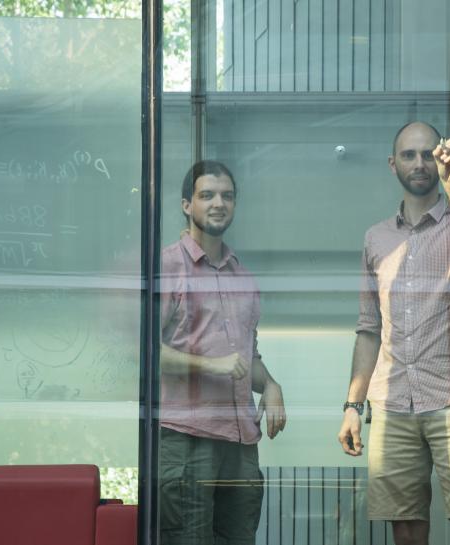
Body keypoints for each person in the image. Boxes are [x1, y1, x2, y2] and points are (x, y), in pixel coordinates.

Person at [338, 122, 450, 545]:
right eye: (409, 155)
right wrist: (353, 405)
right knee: (405, 527)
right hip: (392, 402)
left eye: (428, 153)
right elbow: (369, 328)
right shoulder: (377, 238)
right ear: (393, 165)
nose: (419, 162)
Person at [159, 160, 286, 545]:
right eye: (207, 195)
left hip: (241, 443)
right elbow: (142, 352)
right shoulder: (166, 266)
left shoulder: (242, 277)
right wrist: (210, 365)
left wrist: (272, 386)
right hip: (187, 438)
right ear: (186, 205)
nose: (219, 203)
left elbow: (249, 358)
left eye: (227, 196)